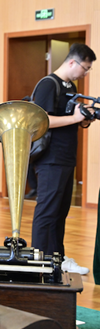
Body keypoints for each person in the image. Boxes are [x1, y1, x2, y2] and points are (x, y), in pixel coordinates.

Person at [31, 43, 96, 275]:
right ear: (72, 62)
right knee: (47, 211)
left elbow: (68, 118)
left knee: (61, 211)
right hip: (50, 158)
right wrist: (74, 118)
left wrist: (83, 119)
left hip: (66, 157)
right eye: (85, 68)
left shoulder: (71, 87)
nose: (85, 73)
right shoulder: (49, 84)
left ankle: (56, 257)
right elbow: (41, 120)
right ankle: (40, 260)